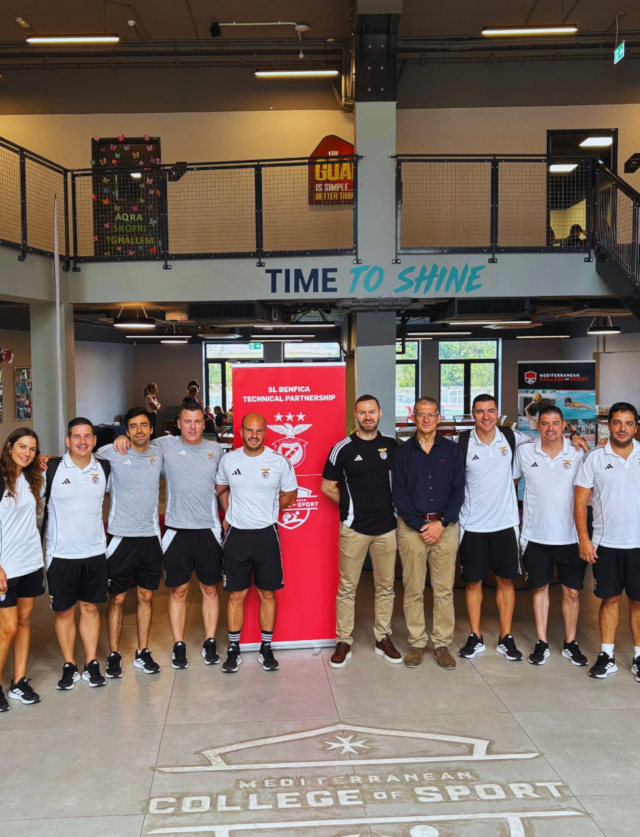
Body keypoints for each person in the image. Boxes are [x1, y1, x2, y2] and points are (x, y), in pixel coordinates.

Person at [457, 394, 587, 663]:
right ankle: (475, 636)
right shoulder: (463, 442)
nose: (486, 416)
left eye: (490, 410)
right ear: (472, 414)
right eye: (480, 411)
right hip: (471, 524)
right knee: (473, 582)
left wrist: (575, 436)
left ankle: (506, 637)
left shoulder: (513, 438)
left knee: (506, 581)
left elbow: (549, 437)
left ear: (497, 413)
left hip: (505, 524)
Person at [115, 399, 223, 669]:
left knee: (210, 588)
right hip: (177, 530)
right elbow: (139, 439)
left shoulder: (216, 450)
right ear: (178, 424)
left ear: (204, 423)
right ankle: (179, 644)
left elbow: (225, 486)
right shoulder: (164, 445)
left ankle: (210, 641)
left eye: (197, 421)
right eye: (187, 421)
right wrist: (121, 438)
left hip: (209, 529)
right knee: (179, 590)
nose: (192, 427)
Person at [321, 394, 400, 668]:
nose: (368, 417)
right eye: (362, 412)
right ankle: (343, 640)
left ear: (380, 413)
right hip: (354, 530)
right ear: (356, 415)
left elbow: (403, 481)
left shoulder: (391, 445)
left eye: (372, 411)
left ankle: (382, 637)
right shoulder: (342, 448)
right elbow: (327, 486)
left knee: (386, 587)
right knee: (347, 588)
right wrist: (350, 508)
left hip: (386, 529)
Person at [215, 412, 297, 673]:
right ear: (241, 432)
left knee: (267, 593)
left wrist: (269, 508)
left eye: (259, 430)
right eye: (249, 430)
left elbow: (291, 493)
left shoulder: (278, 461)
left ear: (265, 432)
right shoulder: (229, 460)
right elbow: (221, 488)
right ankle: (234, 648)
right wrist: (227, 514)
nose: (254, 435)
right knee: (236, 594)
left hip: (266, 535)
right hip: (237, 536)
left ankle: (266, 647)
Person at [392, 397, 465, 669]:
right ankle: (417, 642)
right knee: (413, 588)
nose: (425, 419)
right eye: (421, 414)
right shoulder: (402, 452)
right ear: (413, 417)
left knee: (444, 590)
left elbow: (459, 490)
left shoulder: (452, 450)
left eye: (430, 414)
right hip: (412, 529)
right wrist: (419, 525)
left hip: (445, 528)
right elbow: (399, 493)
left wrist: (441, 522)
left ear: (438, 417)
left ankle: (442, 644)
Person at [513, 406, 588, 666]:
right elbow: (511, 484)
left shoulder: (578, 451)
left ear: (564, 425)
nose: (550, 428)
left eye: (556, 423)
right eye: (545, 423)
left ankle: (570, 642)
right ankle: (542, 642)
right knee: (539, 588)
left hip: (570, 536)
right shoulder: (525, 451)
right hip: (536, 535)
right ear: (537, 425)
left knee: (572, 592)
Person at [575, 402, 640, 680]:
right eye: (617, 422)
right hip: (606, 543)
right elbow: (580, 501)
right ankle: (607, 655)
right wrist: (584, 538)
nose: (622, 428)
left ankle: (639, 657)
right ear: (609, 425)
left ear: (636, 427)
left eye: (628, 423)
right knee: (610, 599)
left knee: (638, 602)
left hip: (638, 544)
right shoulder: (595, 458)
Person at [45, 417, 110, 689]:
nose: (82, 441)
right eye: (76, 436)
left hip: (95, 552)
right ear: (67, 441)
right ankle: (69, 664)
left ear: (94, 440)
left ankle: (92, 662)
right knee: (64, 612)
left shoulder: (104, 468)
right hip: (60, 554)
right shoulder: (51, 469)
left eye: (87, 436)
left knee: (90, 608)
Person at [98, 408, 163, 678]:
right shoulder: (112, 452)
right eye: (133, 426)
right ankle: (114, 654)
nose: (139, 430)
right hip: (121, 538)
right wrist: (115, 441)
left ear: (151, 429)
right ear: (126, 430)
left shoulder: (159, 453)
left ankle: (142, 651)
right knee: (118, 598)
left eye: (144, 425)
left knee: (146, 597)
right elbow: (84, 454)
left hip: (150, 537)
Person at [0, 429, 45, 711]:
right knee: (7, 628)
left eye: (32, 449)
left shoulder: (32, 478)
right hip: (6, 567)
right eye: (21, 446)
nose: (27, 453)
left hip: (30, 562)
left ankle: (18, 681)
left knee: (25, 622)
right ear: (9, 447)